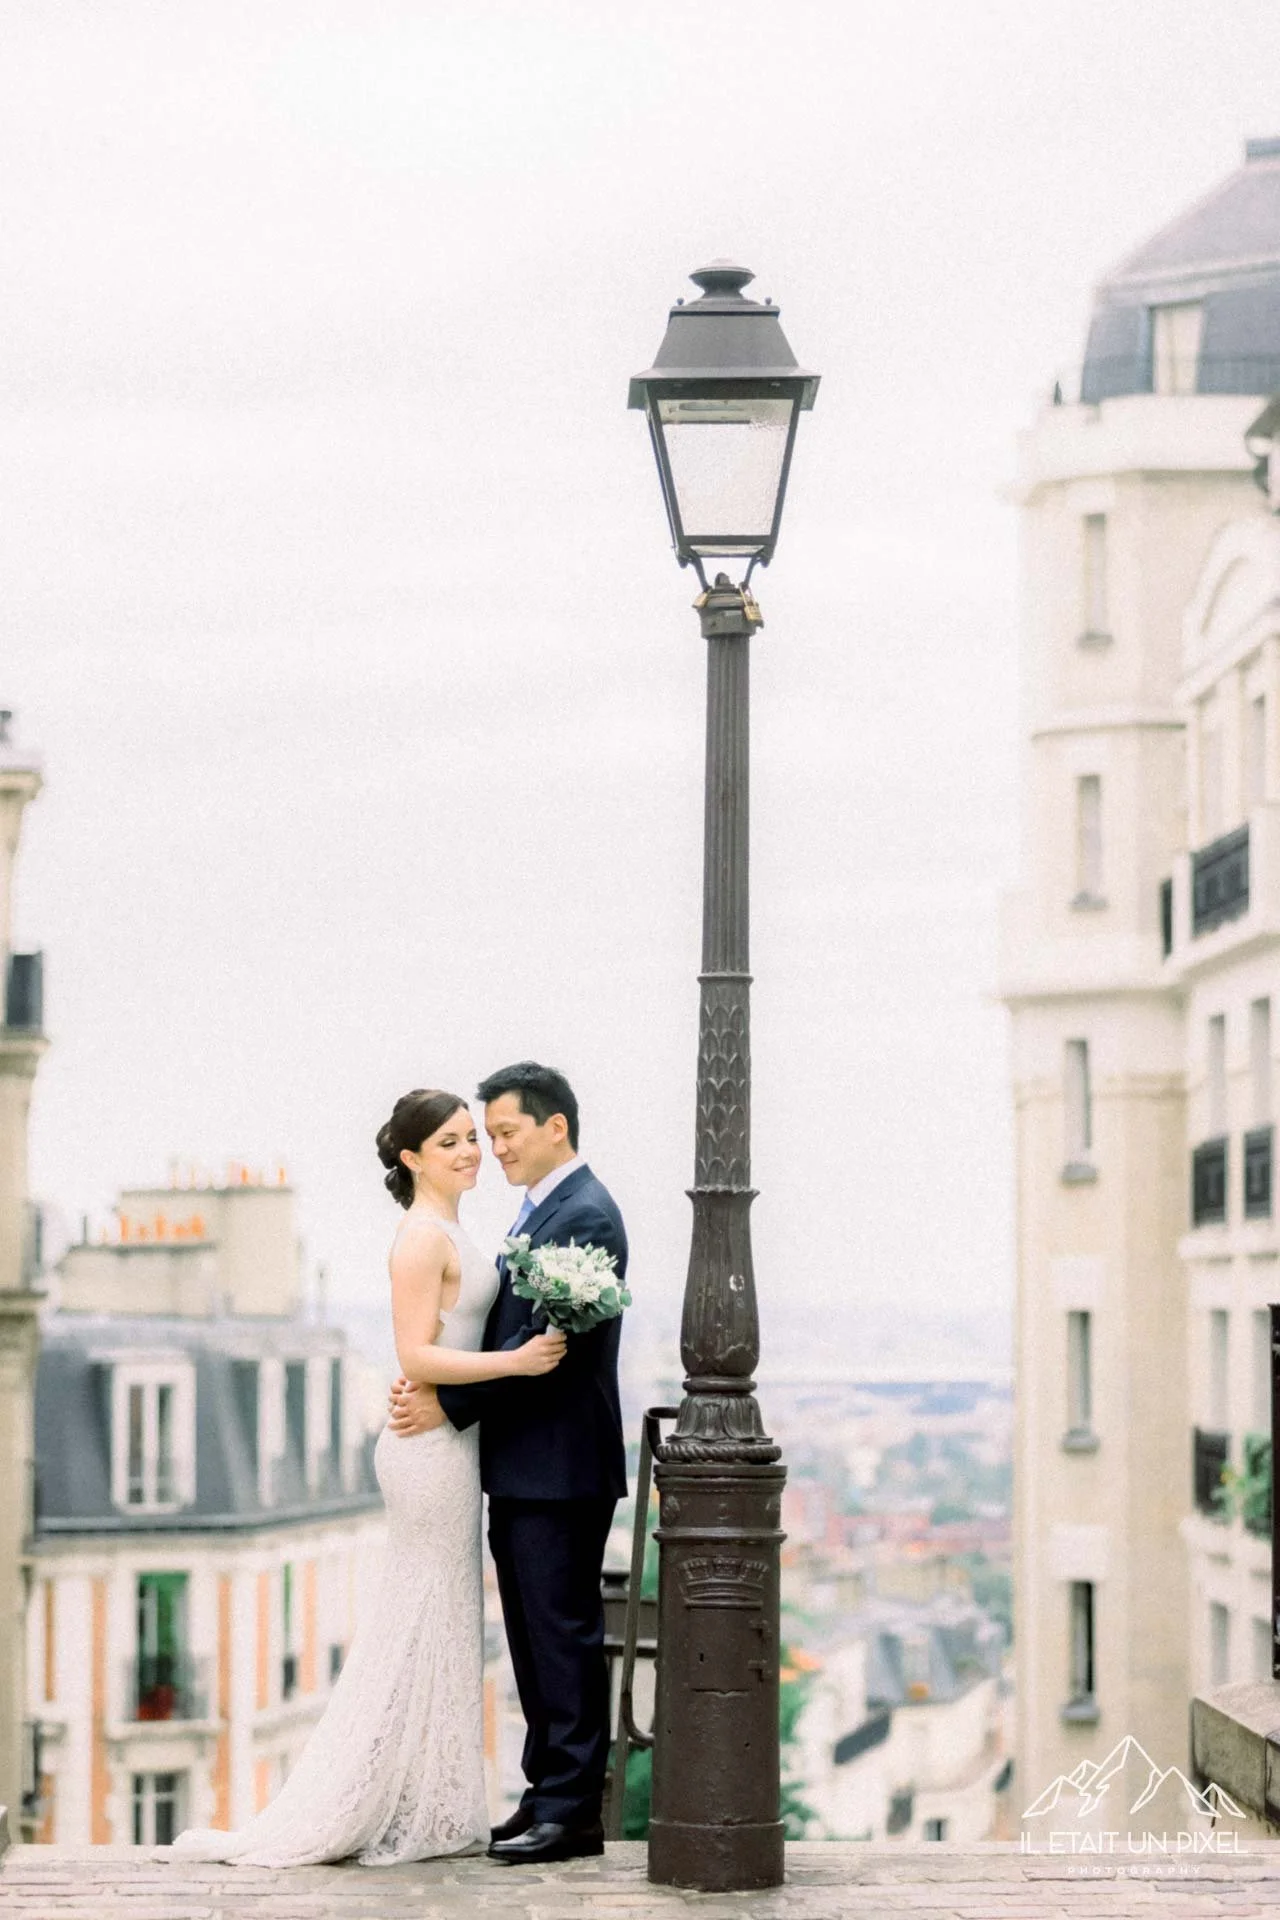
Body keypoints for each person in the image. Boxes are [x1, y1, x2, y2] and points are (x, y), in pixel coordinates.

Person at [171, 1087, 566, 1867]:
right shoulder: (421, 1238)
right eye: (450, 1142)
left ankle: (434, 1803)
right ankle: (390, 1802)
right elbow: (414, 1355)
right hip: (426, 1454)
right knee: (420, 1614)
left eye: (470, 1138)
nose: (468, 1151)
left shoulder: (453, 1227)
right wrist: (514, 1365)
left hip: (450, 1442)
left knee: (444, 1616)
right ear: (412, 1157)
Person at [389, 1060, 628, 1865]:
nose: (492, 1150)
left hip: (559, 1467)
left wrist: (447, 1404)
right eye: (481, 1137)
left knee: (562, 1635)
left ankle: (572, 1811)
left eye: (504, 1133)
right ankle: (544, 1795)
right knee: (533, 1638)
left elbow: (550, 1353)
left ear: (555, 1126)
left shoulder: (584, 1215)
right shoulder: (542, 1211)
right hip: (525, 1465)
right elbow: (509, 1342)